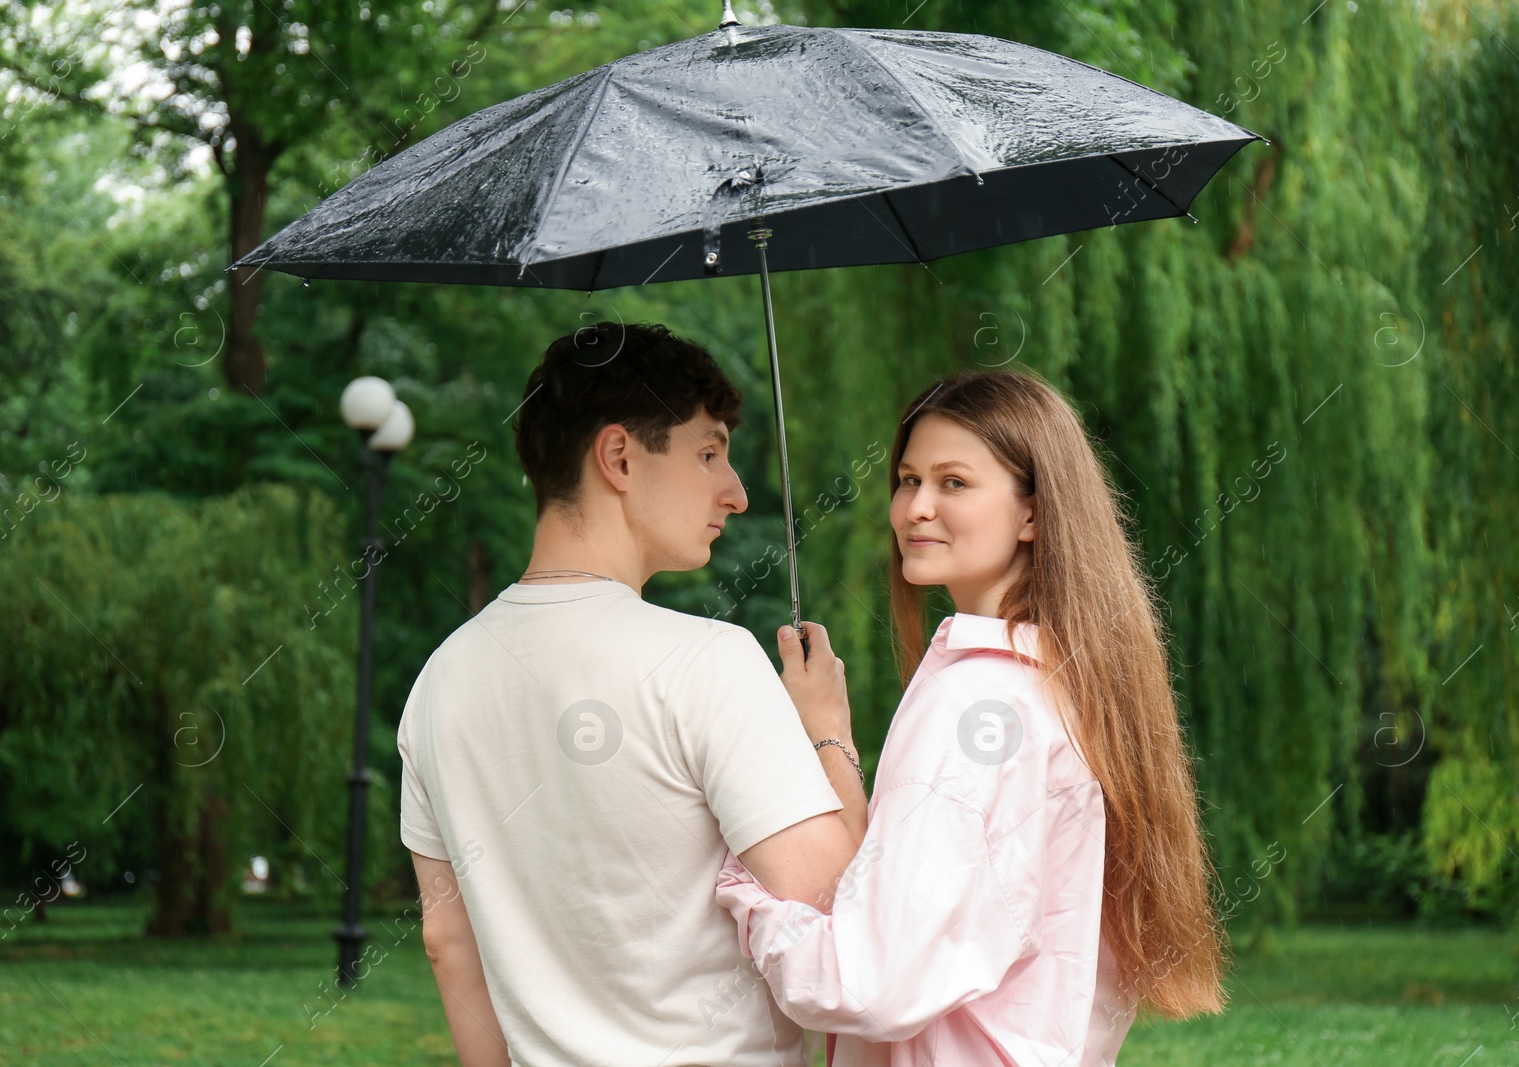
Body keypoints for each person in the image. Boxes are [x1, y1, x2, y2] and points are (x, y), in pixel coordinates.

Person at [717, 369, 1229, 1066]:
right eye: (906, 479)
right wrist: (829, 729)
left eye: (954, 482)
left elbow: (867, 981)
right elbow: (907, 893)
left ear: (1032, 513)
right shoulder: (1062, 685)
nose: (916, 508)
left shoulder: (977, 705)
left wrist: (745, 885)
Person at [396, 321, 866, 1067]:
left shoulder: (439, 681)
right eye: (708, 452)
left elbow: (447, 942)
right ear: (618, 455)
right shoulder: (706, 661)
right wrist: (827, 732)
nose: (736, 492)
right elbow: (837, 905)